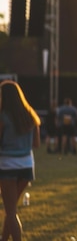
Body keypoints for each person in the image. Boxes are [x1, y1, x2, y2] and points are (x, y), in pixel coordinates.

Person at [0, 80, 41, 241]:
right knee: (11, 208)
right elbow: (36, 144)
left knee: (11, 211)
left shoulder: (3, 117)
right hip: (26, 166)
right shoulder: (31, 115)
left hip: (7, 165)